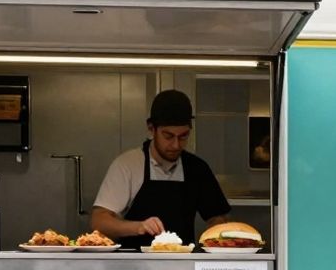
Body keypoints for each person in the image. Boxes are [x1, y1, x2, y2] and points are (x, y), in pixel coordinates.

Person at [91, 90, 231, 249]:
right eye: (168, 136)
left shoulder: (197, 168)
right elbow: (99, 220)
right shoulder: (128, 165)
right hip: (133, 260)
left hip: (182, 260)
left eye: (183, 136)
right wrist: (138, 227)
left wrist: (215, 239)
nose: (176, 145)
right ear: (151, 129)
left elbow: (217, 219)